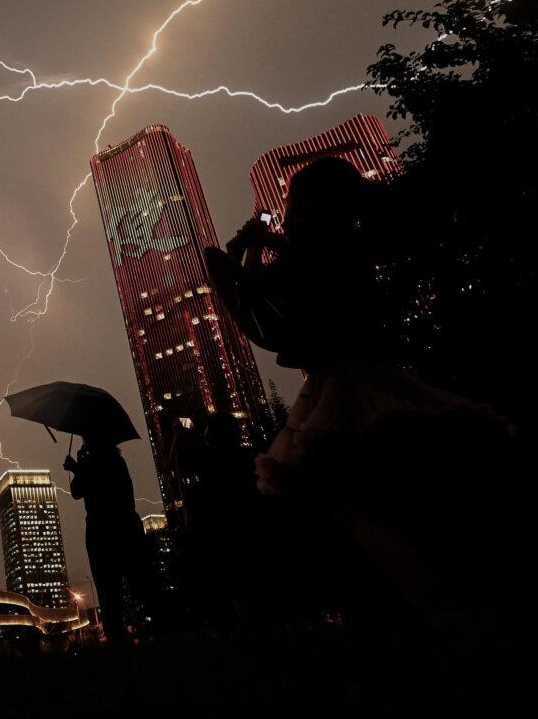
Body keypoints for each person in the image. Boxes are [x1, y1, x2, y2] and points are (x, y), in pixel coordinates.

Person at [205, 158, 515, 613]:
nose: (284, 211)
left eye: (288, 201)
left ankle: (421, 598)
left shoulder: (316, 247)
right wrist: (265, 242)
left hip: (345, 384)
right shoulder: (345, 242)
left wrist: (252, 245)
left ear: (307, 205)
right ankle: (437, 596)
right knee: (383, 491)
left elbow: (254, 296)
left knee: (357, 496)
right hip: (372, 373)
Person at [64, 436, 142, 643]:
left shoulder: (99, 462)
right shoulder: (116, 460)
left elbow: (82, 489)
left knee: (108, 590)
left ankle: (118, 640)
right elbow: (79, 490)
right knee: (130, 587)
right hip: (125, 527)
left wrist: (77, 467)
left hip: (104, 530)